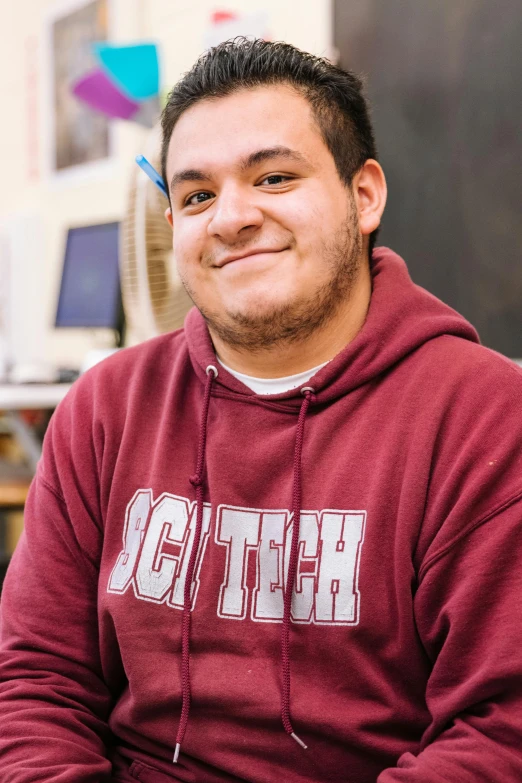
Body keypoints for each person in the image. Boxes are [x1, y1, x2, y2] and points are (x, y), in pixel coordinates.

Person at [1, 38, 522, 783]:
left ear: (364, 194)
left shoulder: (482, 417)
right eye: (197, 195)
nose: (232, 218)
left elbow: (499, 729)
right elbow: (35, 684)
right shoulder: (102, 410)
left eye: (273, 177)